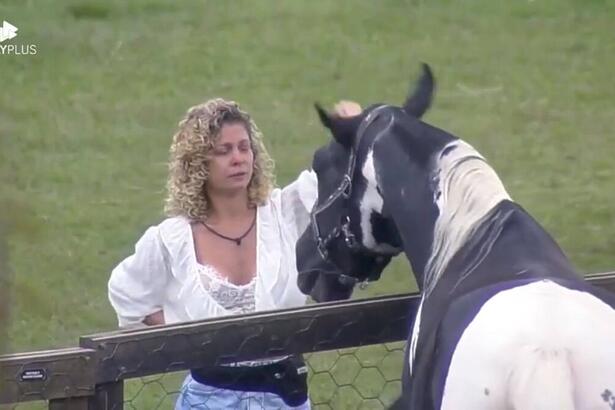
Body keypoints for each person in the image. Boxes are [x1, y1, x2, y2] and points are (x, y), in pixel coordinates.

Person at [107, 98, 362, 409]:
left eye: (244, 147)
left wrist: (352, 130)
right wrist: (181, 333)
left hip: (284, 398)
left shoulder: (285, 212)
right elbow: (126, 290)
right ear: (198, 163)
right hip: (207, 400)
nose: (238, 158)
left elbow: (333, 180)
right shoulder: (172, 239)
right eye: (223, 151)